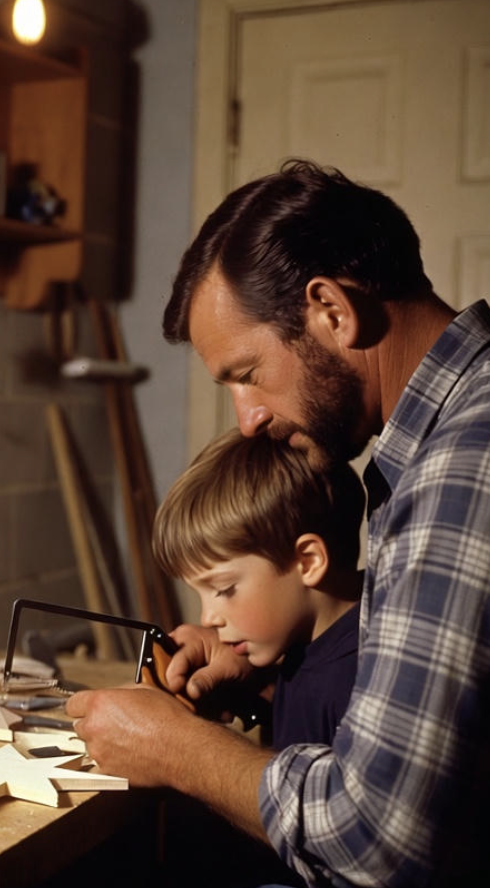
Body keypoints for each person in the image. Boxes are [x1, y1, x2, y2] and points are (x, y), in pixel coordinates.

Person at [66, 159, 490, 887]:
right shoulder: (430, 448)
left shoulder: (467, 459)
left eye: (246, 374)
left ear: (332, 310)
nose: (249, 419)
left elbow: (376, 839)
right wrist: (265, 688)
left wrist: (178, 750)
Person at [151, 427, 365, 750]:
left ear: (307, 561)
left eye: (223, 589)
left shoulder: (353, 685)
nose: (207, 618)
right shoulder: (308, 646)